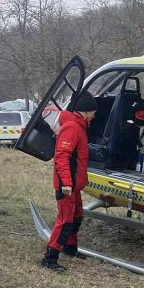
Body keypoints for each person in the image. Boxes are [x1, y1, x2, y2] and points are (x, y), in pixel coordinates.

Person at [41, 93, 98, 272]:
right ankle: (50, 258)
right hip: (67, 186)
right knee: (65, 220)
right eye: (93, 112)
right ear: (87, 112)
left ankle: (70, 248)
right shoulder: (72, 128)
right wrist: (66, 183)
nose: (95, 115)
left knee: (77, 216)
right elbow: (61, 157)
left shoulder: (80, 126)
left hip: (74, 185)